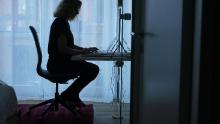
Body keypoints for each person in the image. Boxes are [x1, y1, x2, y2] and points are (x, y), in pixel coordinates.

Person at [47, 0, 99, 108]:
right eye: (76, 9)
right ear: (68, 9)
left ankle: (71, 95)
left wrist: (85, 49)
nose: (77, 13)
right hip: (58, 65)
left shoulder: (62, 22)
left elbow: (69, 45)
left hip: (58, 63)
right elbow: (63, 49)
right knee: (93, 69)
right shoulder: (61, 23)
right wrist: (82, 51)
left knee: (88, 67)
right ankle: (68, 95)